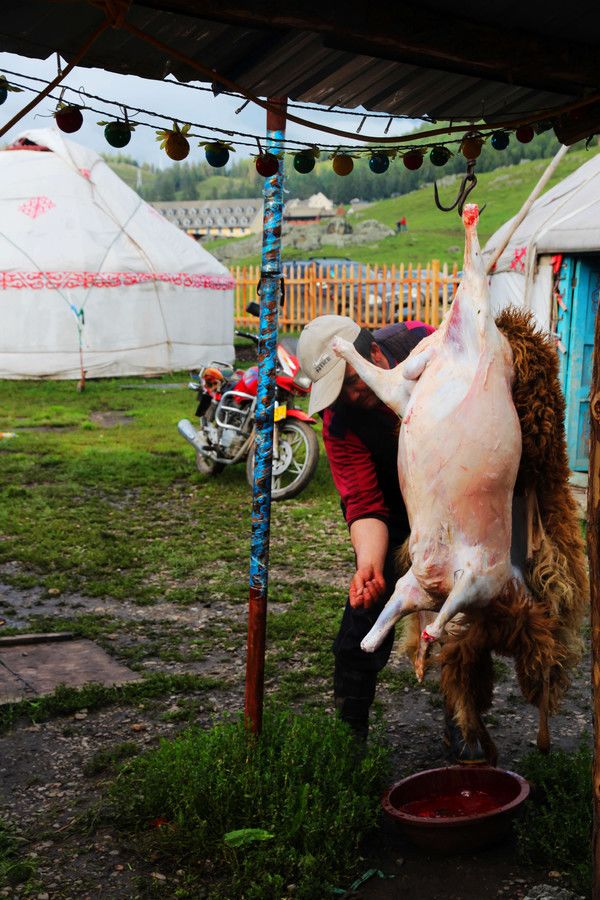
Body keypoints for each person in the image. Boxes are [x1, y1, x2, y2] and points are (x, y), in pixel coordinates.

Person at [297, 315, 434, 741]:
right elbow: (363, 503)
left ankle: (465, 726)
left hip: (452, 499)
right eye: (342, 390)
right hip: (395, 516)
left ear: (374, 352)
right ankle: (349, 740)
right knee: (361, 622)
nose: (354, 394)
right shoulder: (341, 420)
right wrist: (370, 565)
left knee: (461, 621)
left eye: (355, 379)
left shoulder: (422, 344)